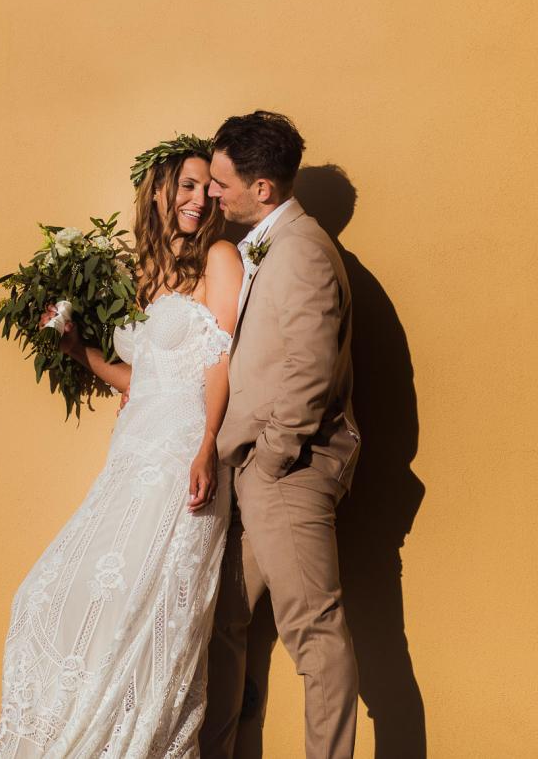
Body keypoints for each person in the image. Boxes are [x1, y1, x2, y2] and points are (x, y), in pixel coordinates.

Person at [0, 135, 244, 758]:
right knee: (47, 597)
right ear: (158, 193)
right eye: (185, 186)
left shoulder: (220, 258)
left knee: (149, 609)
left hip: (186, 450)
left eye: (204, 187)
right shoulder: (143, 275)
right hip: (134, 450)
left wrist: (208, 443)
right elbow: (147, 379)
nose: (197, 199)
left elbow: (220, 362)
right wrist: (81, 351)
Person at [199, 111, 362, 759]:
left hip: (288, 475)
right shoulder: (269, 244)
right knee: (225, 627)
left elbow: (310, 368)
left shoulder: (304, 253)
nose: (213, 193)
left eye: (221, 182)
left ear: (263, 189)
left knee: (316, 636)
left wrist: (270, 460)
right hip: (253, 473)